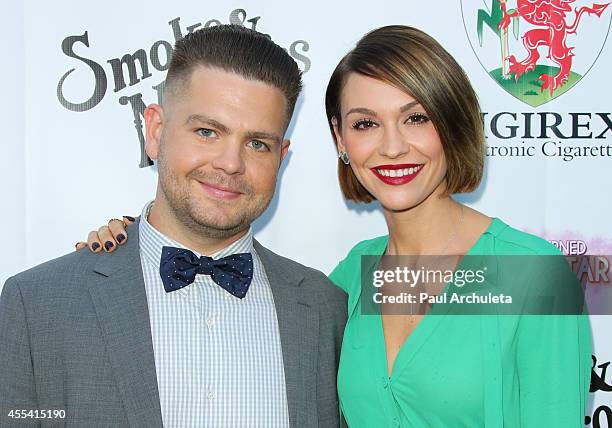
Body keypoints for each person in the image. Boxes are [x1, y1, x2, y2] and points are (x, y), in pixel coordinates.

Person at [77, 26, 591, 426]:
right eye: (366, 123)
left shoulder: (532, 276)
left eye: (416, 118)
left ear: (453, 124)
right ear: (340, 139)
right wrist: (129, 242)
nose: (392, 147)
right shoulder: (349, 280)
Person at [0, 25, 346, 428]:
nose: (230, 163)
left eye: (257, 144)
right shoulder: (36, 305)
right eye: (206, 131)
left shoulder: (326, 308)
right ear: (155, 131)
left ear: (281, 157)